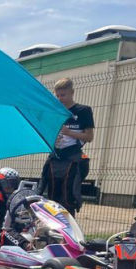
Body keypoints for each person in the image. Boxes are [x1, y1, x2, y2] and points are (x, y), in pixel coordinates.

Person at [38, 78, 94, 216]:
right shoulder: (54, 111)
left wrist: (69, 132)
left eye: (63, 95)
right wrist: (53, 138)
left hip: (72, 157)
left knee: (68, 197)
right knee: (51, 196)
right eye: (57, 95)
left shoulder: (83, 110)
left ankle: (69, 225)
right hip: (56, 157)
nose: (60, 99)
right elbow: (47, 132)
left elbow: (89, 137)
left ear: (72, 93)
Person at [0, 167, 31, 249]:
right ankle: (27, 246)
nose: (12, 189)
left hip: (15, 235)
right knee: (7, 232)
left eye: (14, 186)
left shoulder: (16, 204)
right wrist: (12, 229)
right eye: (8, 186)